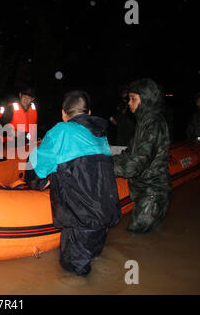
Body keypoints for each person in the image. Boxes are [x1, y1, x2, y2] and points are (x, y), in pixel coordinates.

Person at [26, 90, 121, 276]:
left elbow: (35, 170)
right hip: (104, 217)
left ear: (63, 113)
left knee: (73, 276)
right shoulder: (100, 135)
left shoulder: (61, 131)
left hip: (81, 220)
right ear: (89, 113)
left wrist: (40, 182)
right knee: (91, 265)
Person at [113, 78, 171, 233]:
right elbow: (130, 153)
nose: (129, 103)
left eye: (133, 99)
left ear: (144, 100)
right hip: (142, 190)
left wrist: (104, 167)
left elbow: (135, 164)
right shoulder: (144, 123)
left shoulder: (154, 125)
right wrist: (107, 160)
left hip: (153, 192)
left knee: (135, 237)